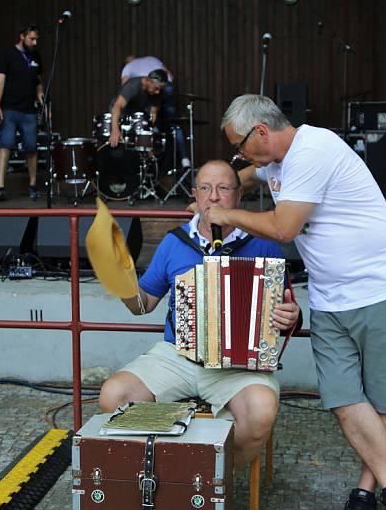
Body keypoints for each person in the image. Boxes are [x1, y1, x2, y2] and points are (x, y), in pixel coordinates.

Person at [205, 95, 386, 510]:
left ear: (261, 133)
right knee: (343, 399)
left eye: (240, 147)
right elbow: (249, 174)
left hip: (382, 288)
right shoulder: (276, 161)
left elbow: (284, 229)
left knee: (382, 400)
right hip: (329, 296)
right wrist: (221, 186)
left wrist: (225, 213)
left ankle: (366, 492)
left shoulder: (312, 151)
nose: (241, 156)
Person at [99, 159, 300, 472]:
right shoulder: (174, 242)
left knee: (260, 411)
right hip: (177, 356)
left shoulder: (264, 243)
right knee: (114, 396)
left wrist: (291, 316)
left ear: (238, 196)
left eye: (223, 188)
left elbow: (289, 313)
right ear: (195, 194)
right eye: (205, 188)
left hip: (237, 365)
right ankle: (167, 473)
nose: (214, 196)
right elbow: (143, 304)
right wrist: (118, 278)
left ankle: (216, 479)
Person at [0, 24, 44, 201]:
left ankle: (32, 185)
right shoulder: (7, 53)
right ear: (22, 37)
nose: (35, 42)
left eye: (36, 38)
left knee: (31, 148)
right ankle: (0, 187)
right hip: (10, 108)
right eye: (32, 38)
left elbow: (38, 83)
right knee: (6, 145)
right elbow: (0, 80)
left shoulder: (35, 55)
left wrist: (44, 103)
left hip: (29, 110)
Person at [120, 55, 189, 168]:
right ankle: (184, 159)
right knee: (173, 124)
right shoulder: (152, 59)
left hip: (150, 89)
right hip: (167, 86)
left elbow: (125, 88)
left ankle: (148, 154)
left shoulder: (128, 67)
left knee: (144, 121)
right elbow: (170, 76)